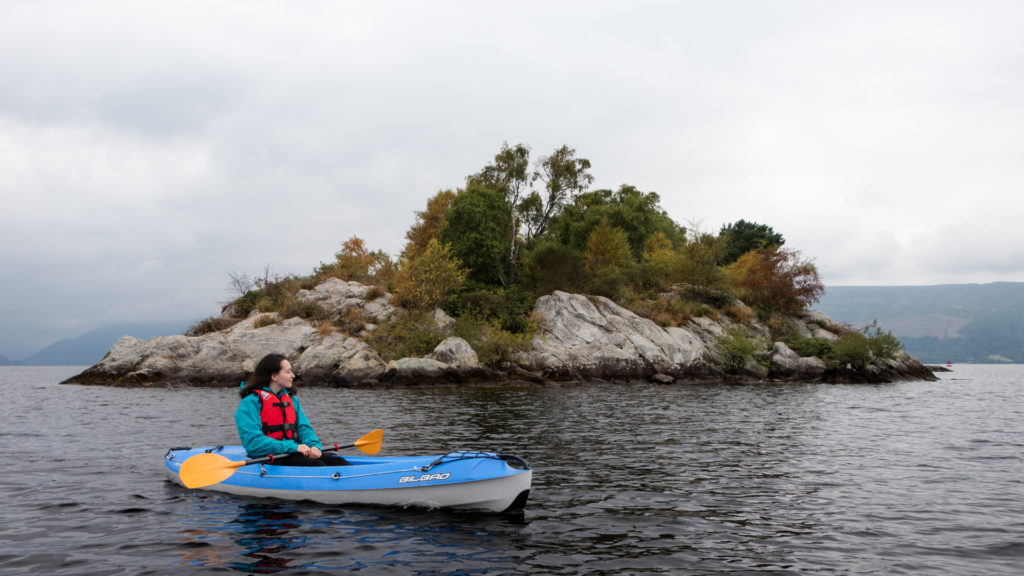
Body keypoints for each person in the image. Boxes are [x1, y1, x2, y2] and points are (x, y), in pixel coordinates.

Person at [235, 353, 348, 466]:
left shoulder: (292, 400)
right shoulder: (250, 403)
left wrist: (314, 446)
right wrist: (294, 447)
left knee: (338, 461)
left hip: (292, 452)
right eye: (288, 372)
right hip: (267, 456)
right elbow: (253, 443)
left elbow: (305, 430)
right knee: (317, 465)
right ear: (274, 376)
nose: (293, 375)